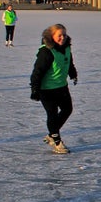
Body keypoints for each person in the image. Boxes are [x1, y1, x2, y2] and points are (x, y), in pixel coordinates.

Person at [30, 23, 78, 154]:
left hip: (61, 87)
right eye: (59, 35)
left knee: (67, 109)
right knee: (52, 114)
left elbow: (69, 62)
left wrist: (73, 74)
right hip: (47, 89)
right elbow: (37, 72)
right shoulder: (46, 51)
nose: (62, 38)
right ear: (51, 36)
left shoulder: (67, 47)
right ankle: (57, 142)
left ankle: (52, 134)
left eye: (64, 35)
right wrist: (34, 89)